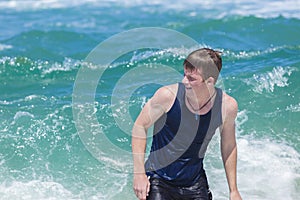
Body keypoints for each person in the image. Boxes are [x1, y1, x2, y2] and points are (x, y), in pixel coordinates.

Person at [132, 48, 242, 200]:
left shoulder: (226, 107)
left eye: (191, 78)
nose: (184, 81)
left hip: (194, 182)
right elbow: (140, 126)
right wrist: (139, 174)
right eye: (184, 75)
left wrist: (233, 191)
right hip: (159, 178)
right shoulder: (167, 96)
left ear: (209, 81)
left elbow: (229, 146)